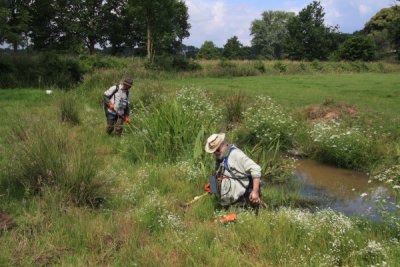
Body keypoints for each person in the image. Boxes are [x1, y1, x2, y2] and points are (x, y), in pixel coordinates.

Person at [205, 133, 261, 209]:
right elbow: (218, 173)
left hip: (243, 199)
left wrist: (255, 191)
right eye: (214, 152)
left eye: (217, 150)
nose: (215, 153)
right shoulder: (220, 157)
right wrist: (213, 187)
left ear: (223, 144)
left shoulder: (236, 154)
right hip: (230, 201)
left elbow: (255, 168)